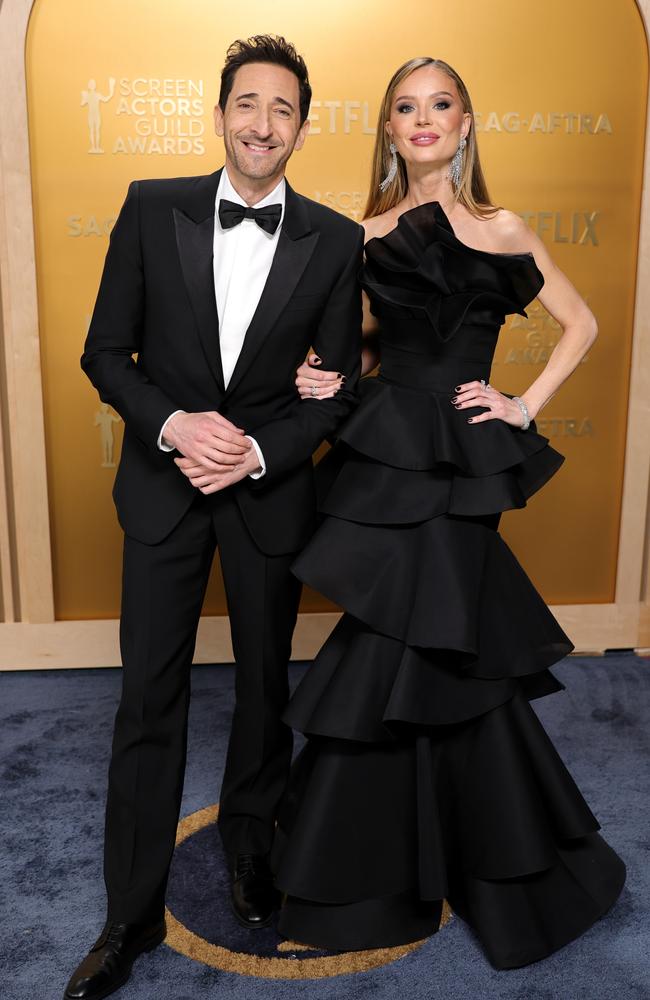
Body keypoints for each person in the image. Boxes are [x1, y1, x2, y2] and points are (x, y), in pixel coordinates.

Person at [271, 56, 626, 968]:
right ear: (388, 130)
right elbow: (350, 352)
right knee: (403, 644)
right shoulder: (361, 231)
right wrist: (323, 375)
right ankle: (407, 857)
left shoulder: (501, 226)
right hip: (390, 451)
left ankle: (477, 864)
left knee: (436, 649)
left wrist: (523, 403)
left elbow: (580, 323)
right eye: (405, 108)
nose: (423, 120)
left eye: (440, 105)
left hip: (462, 458)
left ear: (466, 124)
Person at [64, 35, 363, 1000]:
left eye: (283, 109)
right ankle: (130, 914)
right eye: (247, 103)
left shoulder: (335, 238)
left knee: (267, 690)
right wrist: (176, 425)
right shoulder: (153, 208)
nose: (262, 123)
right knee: (148, 699)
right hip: (162, 492)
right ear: (222, 111)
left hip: (268, 494)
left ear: (302, 128)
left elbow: (332, 388)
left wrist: (265, 449)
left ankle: (249, 854)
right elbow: (105, 355)